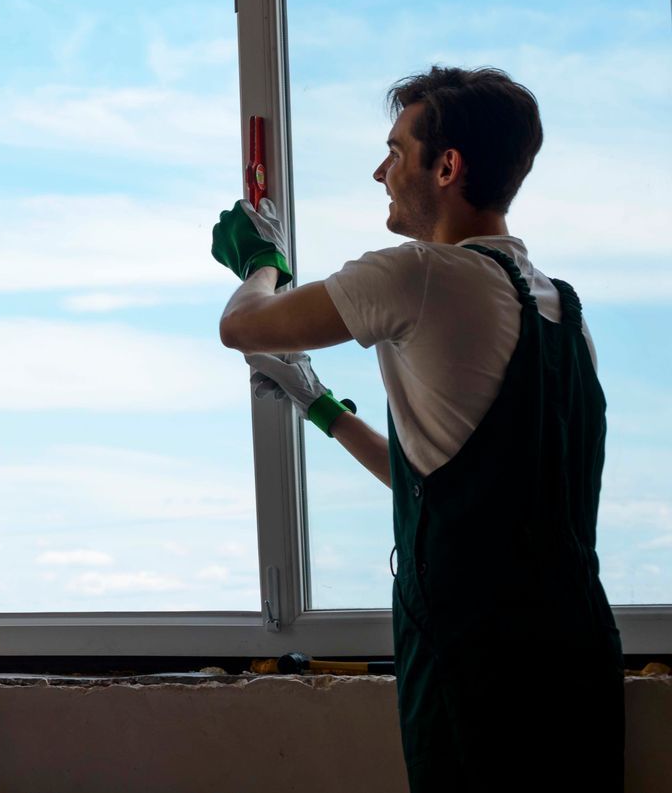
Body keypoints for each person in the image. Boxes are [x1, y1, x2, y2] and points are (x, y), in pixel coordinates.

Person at [209, 66, 621, 790]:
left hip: (479, 674)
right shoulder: (564, 312)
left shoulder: (419, 274)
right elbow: (447, 480)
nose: (381, 170)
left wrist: (261, 260)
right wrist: (320, 405)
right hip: (579, 664)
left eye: (395, 150)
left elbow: (242, 325)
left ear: (448, 166)